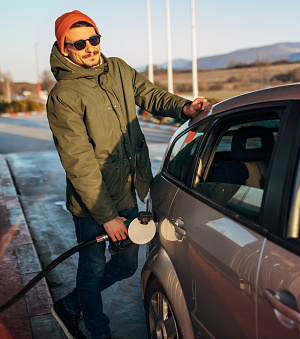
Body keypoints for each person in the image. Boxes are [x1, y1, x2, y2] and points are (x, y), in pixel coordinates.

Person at [46, 10, 211, 339]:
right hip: (93, 204)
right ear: (64, 49)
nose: (90, 47)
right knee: (92, 269)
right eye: (79, 43)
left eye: (94, 39)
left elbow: (150, 95)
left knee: (126, 265)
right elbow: (79, 163)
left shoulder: (118, 69)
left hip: (127, 191)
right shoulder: (63, 96)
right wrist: (106, 216)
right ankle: (97, 330)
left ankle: (70, 305)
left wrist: (184, 107)